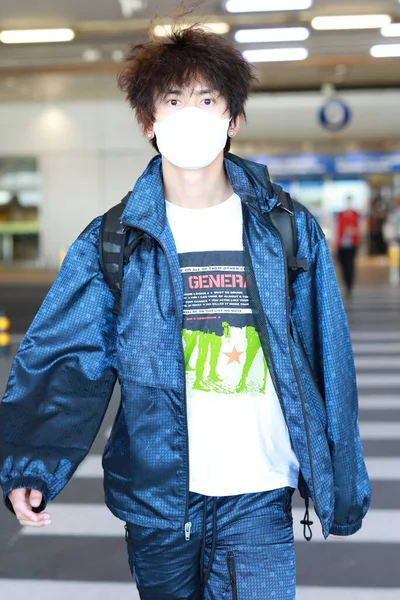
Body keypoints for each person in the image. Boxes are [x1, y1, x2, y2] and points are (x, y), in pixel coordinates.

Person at [0, 21, 370, 600]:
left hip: (261, 489)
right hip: (159, 496)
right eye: (173, 101)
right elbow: (67, 361)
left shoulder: (286, 231)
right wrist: (31, 467)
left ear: (233, 119)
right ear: (149, 122)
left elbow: (329, 359)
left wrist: (340, 486)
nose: (191, 114)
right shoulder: (114, 241)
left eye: (207, 99)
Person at [336, 195, 360, 299]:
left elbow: (360, 229)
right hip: (341, 245)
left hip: (352, 245)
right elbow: (336, 228)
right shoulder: (340, 215)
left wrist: (352, 230)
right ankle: (346, 283)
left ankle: (349, 285)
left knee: (350, 265)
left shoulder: (355, 214)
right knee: (343, 265)